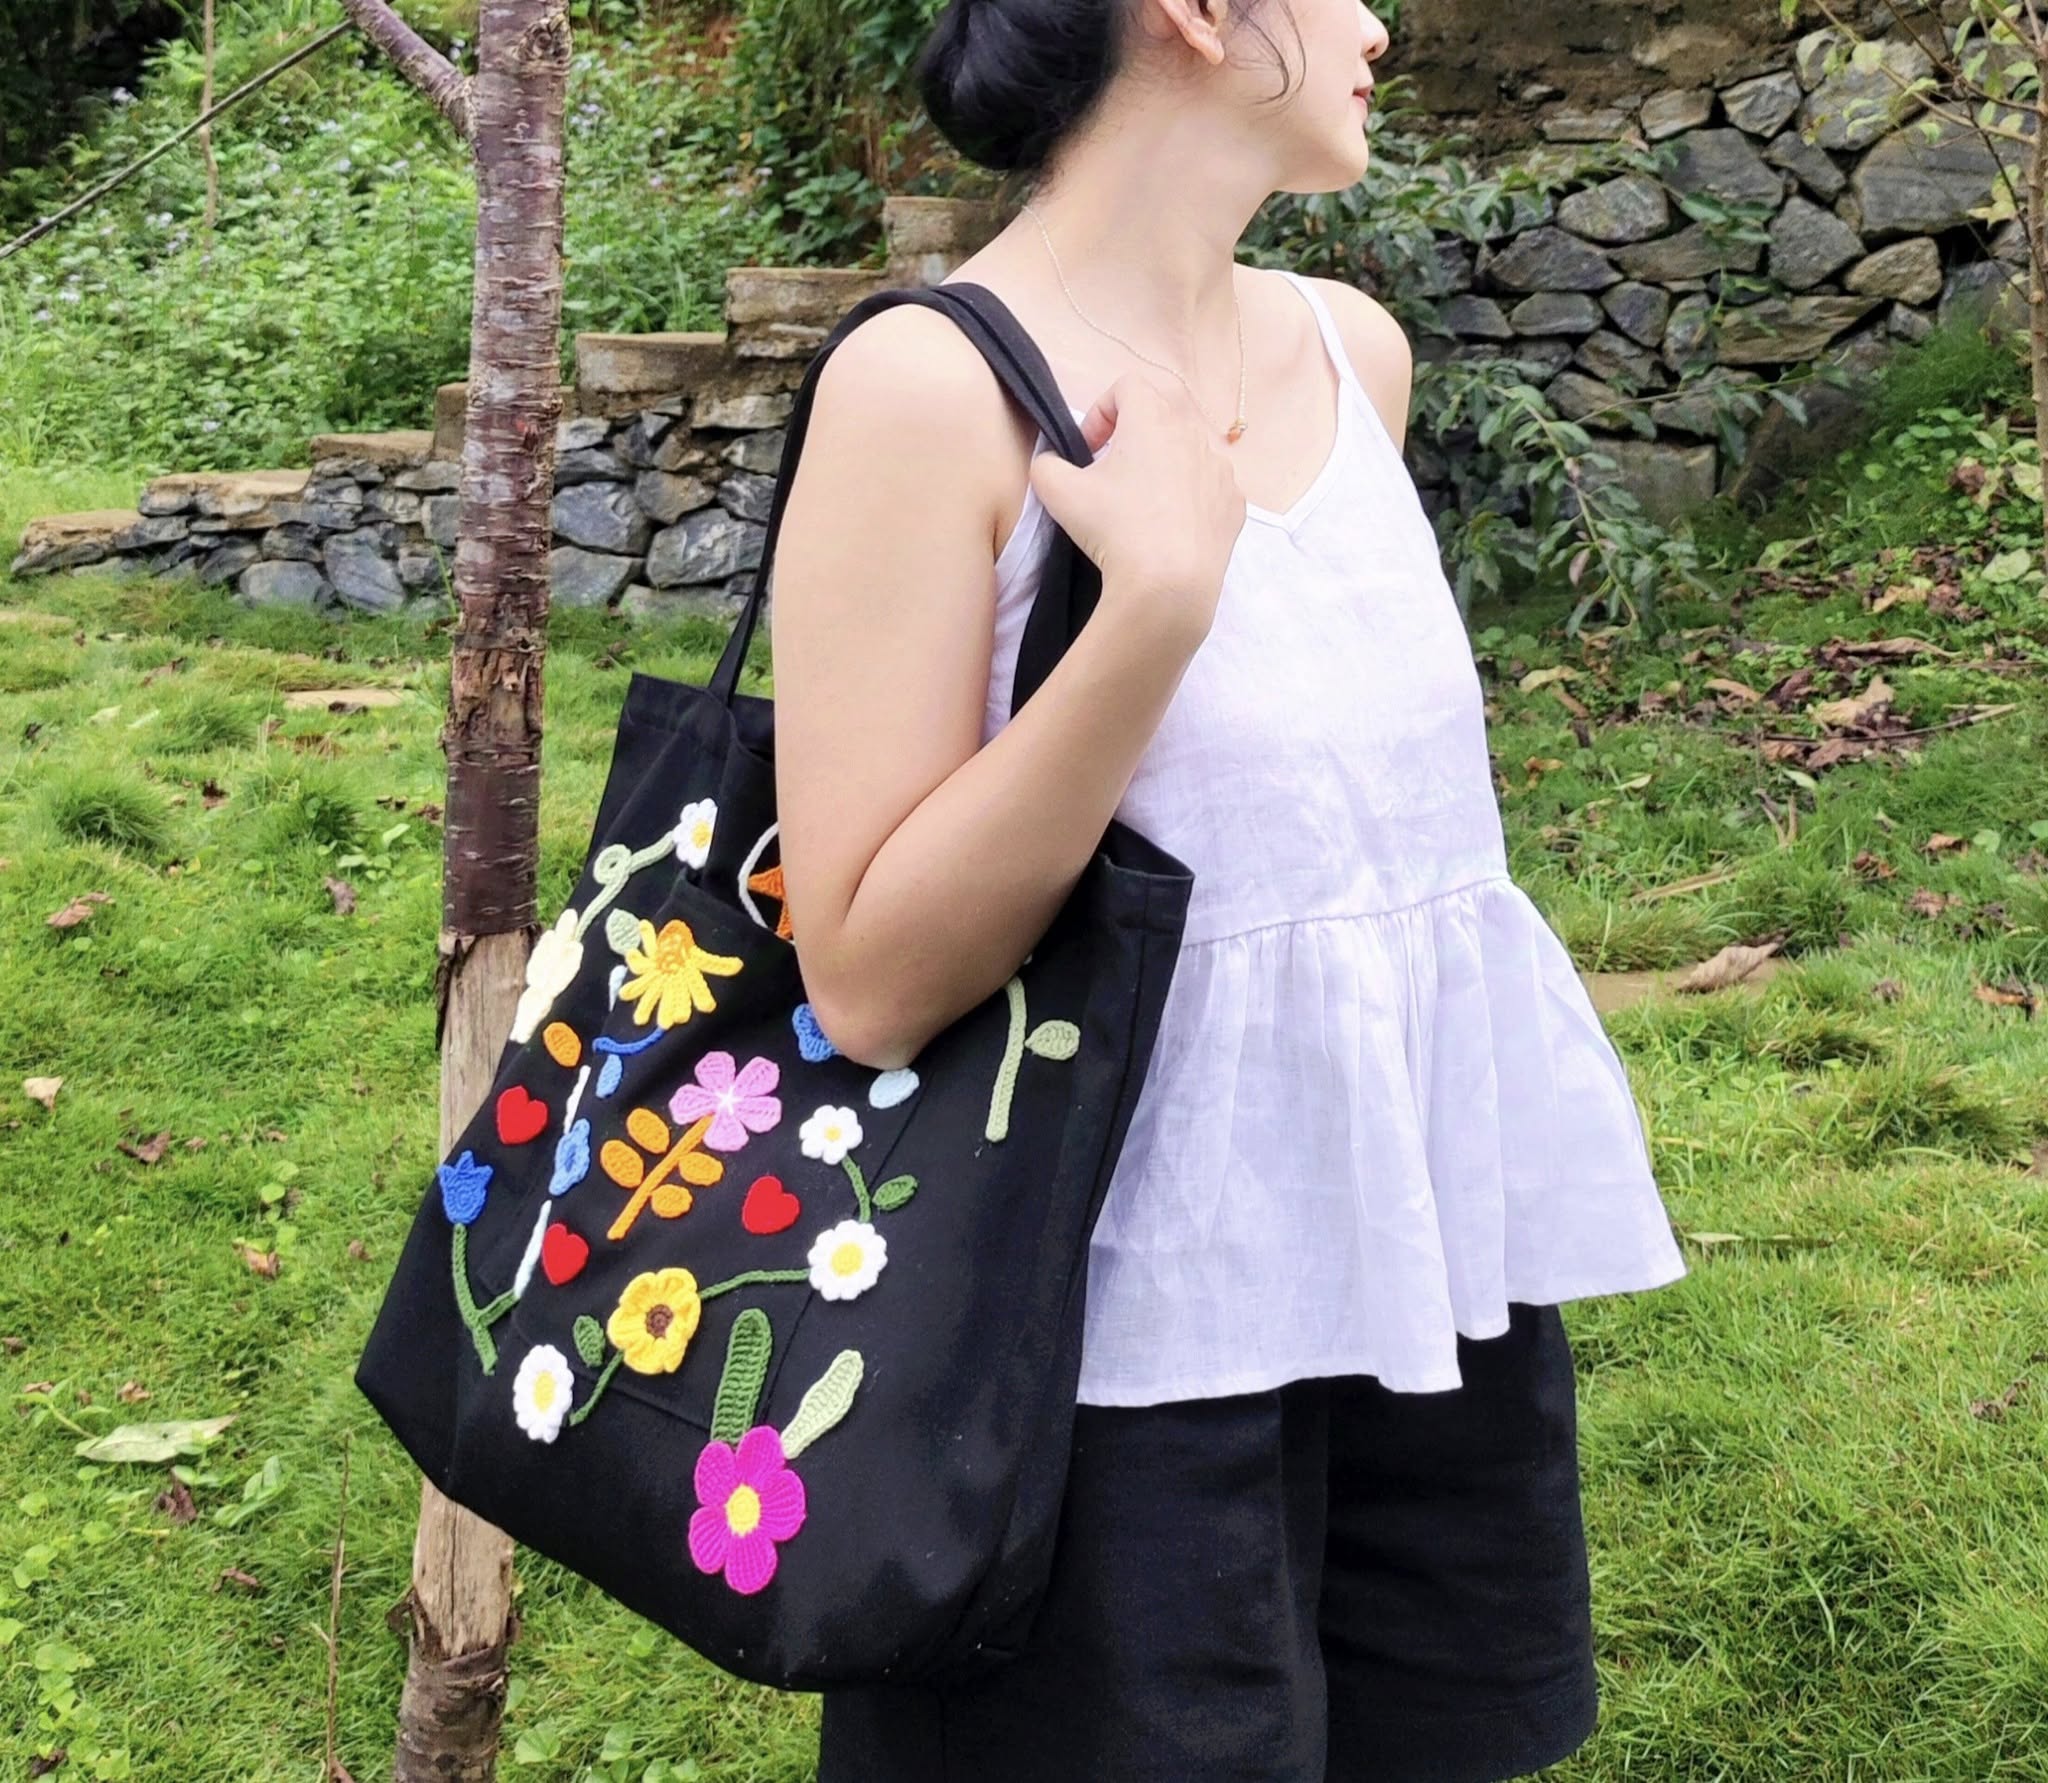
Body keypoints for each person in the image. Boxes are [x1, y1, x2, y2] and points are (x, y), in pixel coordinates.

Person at [762, 0, 1689, 1772]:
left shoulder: (1353, 352)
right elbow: (867, 979)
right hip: (1099, 1341)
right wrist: (1155, 614)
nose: (1381, 24)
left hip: (1420, 1279)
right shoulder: (930, 389)